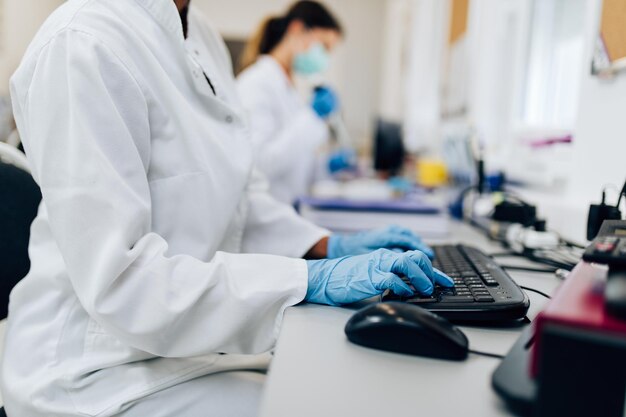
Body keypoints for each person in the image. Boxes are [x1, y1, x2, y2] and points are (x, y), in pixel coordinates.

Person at [0, 1, 452, 416]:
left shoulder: (201, 37)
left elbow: (240, 199)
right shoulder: (82, 42)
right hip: (93, 371)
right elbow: (121, 282)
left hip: (180, 346)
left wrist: (328, 245)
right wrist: (307, 280)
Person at [237, 1, 343, 204]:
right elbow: (259, 165)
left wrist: (324, 167)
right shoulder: (255, 84)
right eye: (324, 47)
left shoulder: (291, 89)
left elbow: (293, 163)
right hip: (263, 218)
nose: (325, 58)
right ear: (297, 29)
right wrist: (312, 117)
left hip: (286, 211)